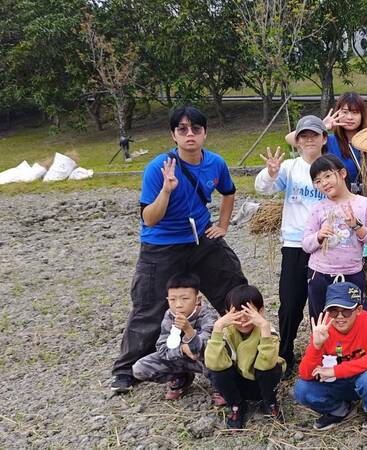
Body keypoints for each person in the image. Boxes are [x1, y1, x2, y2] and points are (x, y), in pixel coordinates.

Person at [111, 106, 248, 393]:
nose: (189, 134)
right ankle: (126, 369)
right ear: (173, 134)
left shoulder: (215, 163)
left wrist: (223, 225)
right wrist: (166, 190)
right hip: (161, 244)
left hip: (201, 238)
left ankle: (246, 351)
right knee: (149, 306)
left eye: (195, 129)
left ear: (204, 133)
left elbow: (229, 191)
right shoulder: (157, 168)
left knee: (233, 286)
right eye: (182, 129)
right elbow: (149, 218)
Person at [255, 115, 327, 377]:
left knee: (321, 304)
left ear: (324, 139)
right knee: (290, 303)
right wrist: (270, 172)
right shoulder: (289, 168)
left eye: (314, 135)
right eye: (303, 136)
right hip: (295, 245)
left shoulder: (329, 168)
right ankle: (285, 353)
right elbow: (263, 187)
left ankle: (321, 353)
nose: (309, 140)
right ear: (296, 141)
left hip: (325, 245)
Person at [294, 282, 367, 431]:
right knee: (302, 389)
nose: (339, 317)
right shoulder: (323, 328)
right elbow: (305, 374)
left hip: (362, 377)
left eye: (346, 311)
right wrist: (316, 346)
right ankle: (340, 409)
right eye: (333, 311)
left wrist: (335, 371)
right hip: (337, 383)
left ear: (358, 310)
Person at [302, 154, 367, 319]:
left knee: (355, 318)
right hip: (320, 274)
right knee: (321, 320)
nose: (324, 183)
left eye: (328, 176)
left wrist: (357, 227)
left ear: (343, 173)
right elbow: (306, 245)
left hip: (352, 273)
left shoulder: (365, 204)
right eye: (317, 181)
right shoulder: (318, 209)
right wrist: (319, 236)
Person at [204, 285, 285, 429]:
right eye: (236, 313)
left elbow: (266, 365)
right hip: (236, 385)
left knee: (274, 367)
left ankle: (270, 403)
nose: (242, 319)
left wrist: (264, 328)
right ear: (227, 313)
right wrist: (217, 327)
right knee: (216, 370)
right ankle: (236, 405)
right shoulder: (225, 332)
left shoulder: (267, 330)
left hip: (260, 385)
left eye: (248, 312)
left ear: (260, 312)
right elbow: (212, 364)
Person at [132, 273, 220, 401]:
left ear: (197, 299)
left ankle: (221, 386)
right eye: (173, 299)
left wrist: (188, 330)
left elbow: (207, 349)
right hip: (181, 357)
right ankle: (181, 378)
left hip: (206, 361)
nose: (178, 304)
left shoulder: (208, 316)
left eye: (185, 298)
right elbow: (162, 348)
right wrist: (182, 349)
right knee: (140, 368)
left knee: (215, 359)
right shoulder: (170, 315)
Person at [285, 92, 367, 193]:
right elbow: (290, 138)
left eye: (355, 112)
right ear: (338, 113)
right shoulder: (328, 141)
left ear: (362, 115)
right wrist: (322, 126)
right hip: (336, 199)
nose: (349, 117)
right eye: (345, 112)